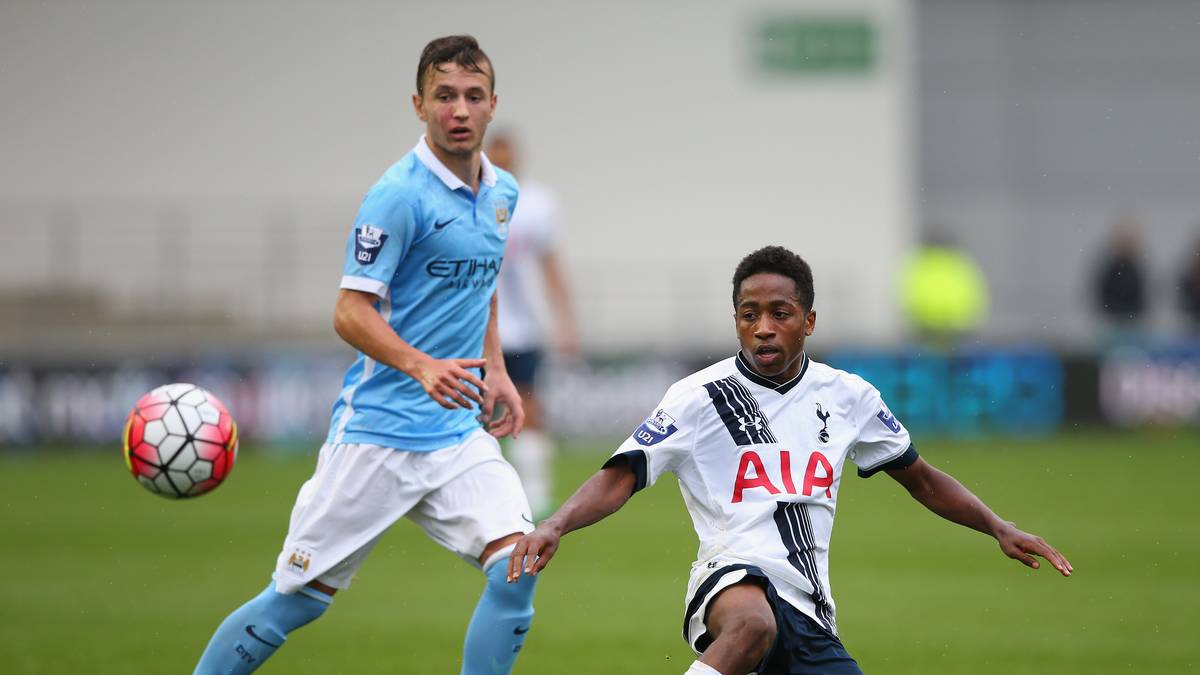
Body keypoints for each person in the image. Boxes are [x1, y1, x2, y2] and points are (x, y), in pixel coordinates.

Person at [507, 246, 1072, 675]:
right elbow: (622, 475)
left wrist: (996, 525)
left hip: (809, 606)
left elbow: (921, 480)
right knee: (753, 624)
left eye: (780, 312)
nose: (763, 327)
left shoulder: (849, 397)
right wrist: (555, 522)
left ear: (809, 320)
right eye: (749, 314)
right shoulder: (699, 396)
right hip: (731, 580)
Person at [194, 35, 538, 675]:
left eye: (471, 96)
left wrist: (498, 371)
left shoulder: (502, 193)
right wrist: (420, 364)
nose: (458, 110)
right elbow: (350, 311)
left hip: (456, 437)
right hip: (376, 438)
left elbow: (484, 284)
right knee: (292, 607)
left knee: (519, 566)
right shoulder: (398, 196)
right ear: (419, 105)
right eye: (443, 96)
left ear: (493, 104)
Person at [486, 131, 580, 517]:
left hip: (523, 327)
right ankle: (482, 489)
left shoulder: (537, 204)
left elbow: (549, 263)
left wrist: (565, 321)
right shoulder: (468, 199)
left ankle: (537, 493)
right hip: (478, 327)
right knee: (477, 407)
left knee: (529, 404)